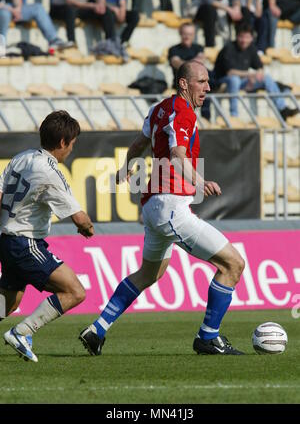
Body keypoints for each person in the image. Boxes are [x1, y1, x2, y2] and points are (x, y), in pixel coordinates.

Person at [79, 60, 246, 357]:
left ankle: (98, 328)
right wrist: (200, 180)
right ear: (184, 84)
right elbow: (177, 154)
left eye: (208, 82)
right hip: (172, 205)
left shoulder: (159, 109)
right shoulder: (183, 112)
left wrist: (126, 168)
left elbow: (138, 144)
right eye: (202, 81)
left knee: (148, 274)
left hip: (153, 207)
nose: (207, 88)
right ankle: (208, 337)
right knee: (233, 264)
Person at [0, 110, 94, 363]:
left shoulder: (22, 157)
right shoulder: (50, 171)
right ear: (63, 142)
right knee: (74, 291)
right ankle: (22, 332)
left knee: (9, 298)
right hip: (24, 242)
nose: (71, 150)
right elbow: (79, 218)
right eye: (72, 144)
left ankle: (20, 331)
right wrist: (87, 229)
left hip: (6, 239)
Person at [214, 22, 298, 119]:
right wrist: (251, 75)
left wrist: (258, 75)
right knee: (234, 80)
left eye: (247, 37)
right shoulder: (229, 48)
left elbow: (260, 67)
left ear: (251, 38)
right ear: (237, 36)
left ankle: (282, 109)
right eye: (241, 37)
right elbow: (230, 72)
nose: (244, 40)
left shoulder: (251, 49)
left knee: (266, 78)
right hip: (223, 83)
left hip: (243, 82)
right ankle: (234, 115)